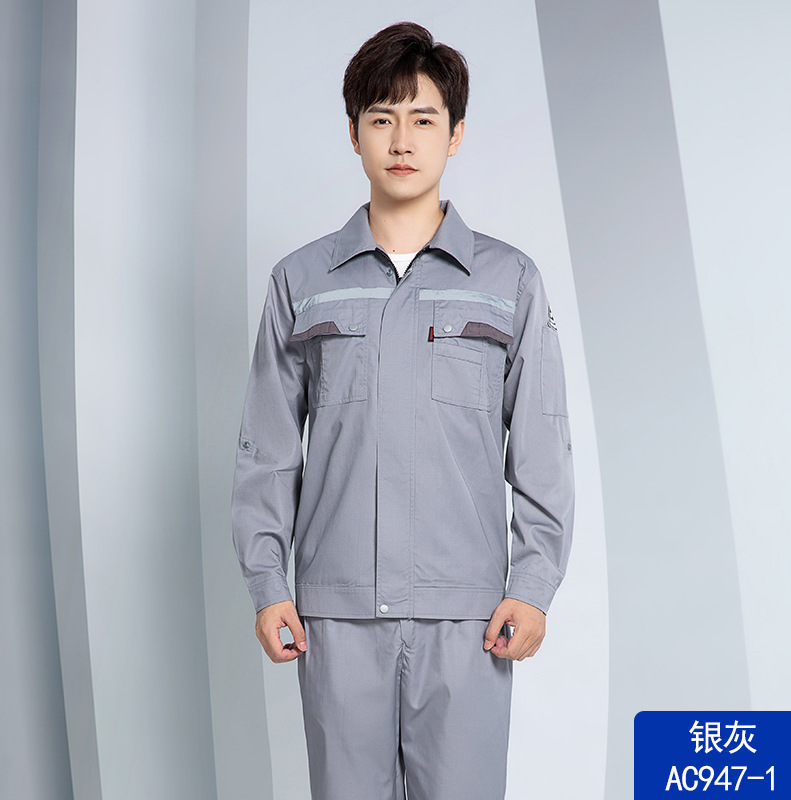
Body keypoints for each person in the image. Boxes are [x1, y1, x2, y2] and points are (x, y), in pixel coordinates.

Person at [231, 20, 574, 800]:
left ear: (455, 135)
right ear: (354, 133)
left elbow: (542, 446)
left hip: (467, 620)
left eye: (423, 119)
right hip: (336, 617)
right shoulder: (300, 282)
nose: (401, 140)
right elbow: (267, 450)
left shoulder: (510, 282)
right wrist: (268, 582)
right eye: (381, 118)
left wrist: (532, 584)